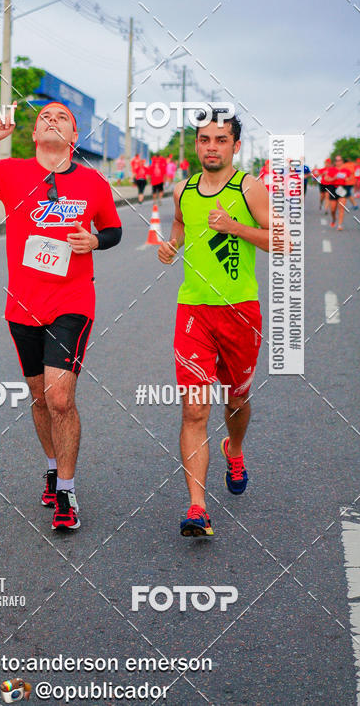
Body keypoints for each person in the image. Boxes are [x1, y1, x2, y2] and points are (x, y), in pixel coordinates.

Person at [0, 102, 122, 531]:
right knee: (40, 398)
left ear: (74, 137)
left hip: (73, 301)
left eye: (62, 118)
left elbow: (114, 230)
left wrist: (94, 242)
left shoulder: (94, 182)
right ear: (33, 135)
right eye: (45, 117)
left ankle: (67, 491)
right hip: (22, 305)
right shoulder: (12, 173)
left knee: (60, 398)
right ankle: (52, 467)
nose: (52, 120)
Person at [158, 110, 272, 538]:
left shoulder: (249, 188)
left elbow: (281, 240)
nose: (211, 146)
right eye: (204, 139)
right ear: (196, 145)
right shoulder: (182, 189)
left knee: (237, 399)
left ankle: (235, 448)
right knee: (194, 409)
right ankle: (197, 507)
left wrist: (234, 226)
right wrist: (171, 246)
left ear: (234, 146)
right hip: (193, 310)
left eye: (220, 140)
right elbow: (182, 224)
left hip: (241, 310)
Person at [324, 155, 354, 230]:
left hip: (342, 189)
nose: (338, 162)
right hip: (333, 188)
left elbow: (350, 178)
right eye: (337, 160)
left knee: (341, 207)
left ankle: (340, 225)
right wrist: (334, 178)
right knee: (333, 209)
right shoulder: (331, 170)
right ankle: (334, 218)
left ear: (342, 161)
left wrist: (347, 179)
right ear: (335, 162)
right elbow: (326, 178)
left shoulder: (346, 170)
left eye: (340, 160)